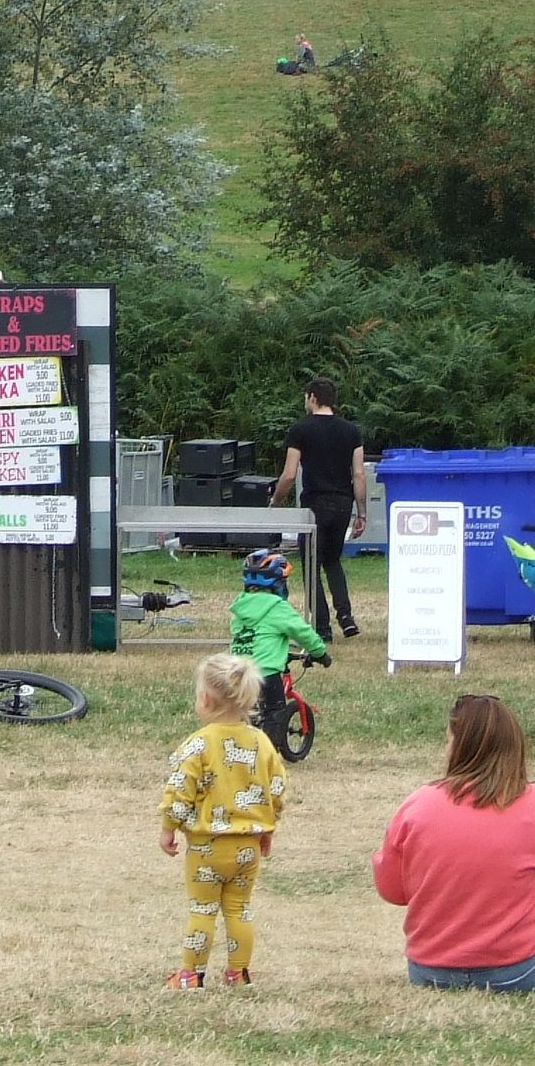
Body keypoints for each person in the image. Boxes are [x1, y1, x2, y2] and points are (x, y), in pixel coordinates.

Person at [372, 692, 535, 991]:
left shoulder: (418, 805)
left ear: (458, 746)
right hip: (520, 970)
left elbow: (392, 890)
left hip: (430, 970)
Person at [158, 650, 289, 988]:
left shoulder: (198, 745)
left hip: (207, 847)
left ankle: (191, 974)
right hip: (248, 846)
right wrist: (267, 826)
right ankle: (238, 972)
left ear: (205, 699)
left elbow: (180, 790)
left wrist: (169, 827)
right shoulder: (262, 742)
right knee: (239, 908)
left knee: (203, 909)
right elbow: (275, 788)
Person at [272, 377, 365, 639]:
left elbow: (290, 474)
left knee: (311, 565)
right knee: (333, 560)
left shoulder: (300, 430)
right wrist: (362, 512)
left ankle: (322, 628)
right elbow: (358, 474)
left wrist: (276, 501)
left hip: (315, 505)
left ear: (312, 397)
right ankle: (345, 616)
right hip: (343, 503)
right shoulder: (351, 431)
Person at [229, 547, 328, 736]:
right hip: (265, 673)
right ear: (278, 584)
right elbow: (303, 633)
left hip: (236, 671)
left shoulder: (238, 608)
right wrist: (320, 653)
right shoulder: (278, 608)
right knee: (274, 713)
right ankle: (268, 752)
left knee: (239, 713)